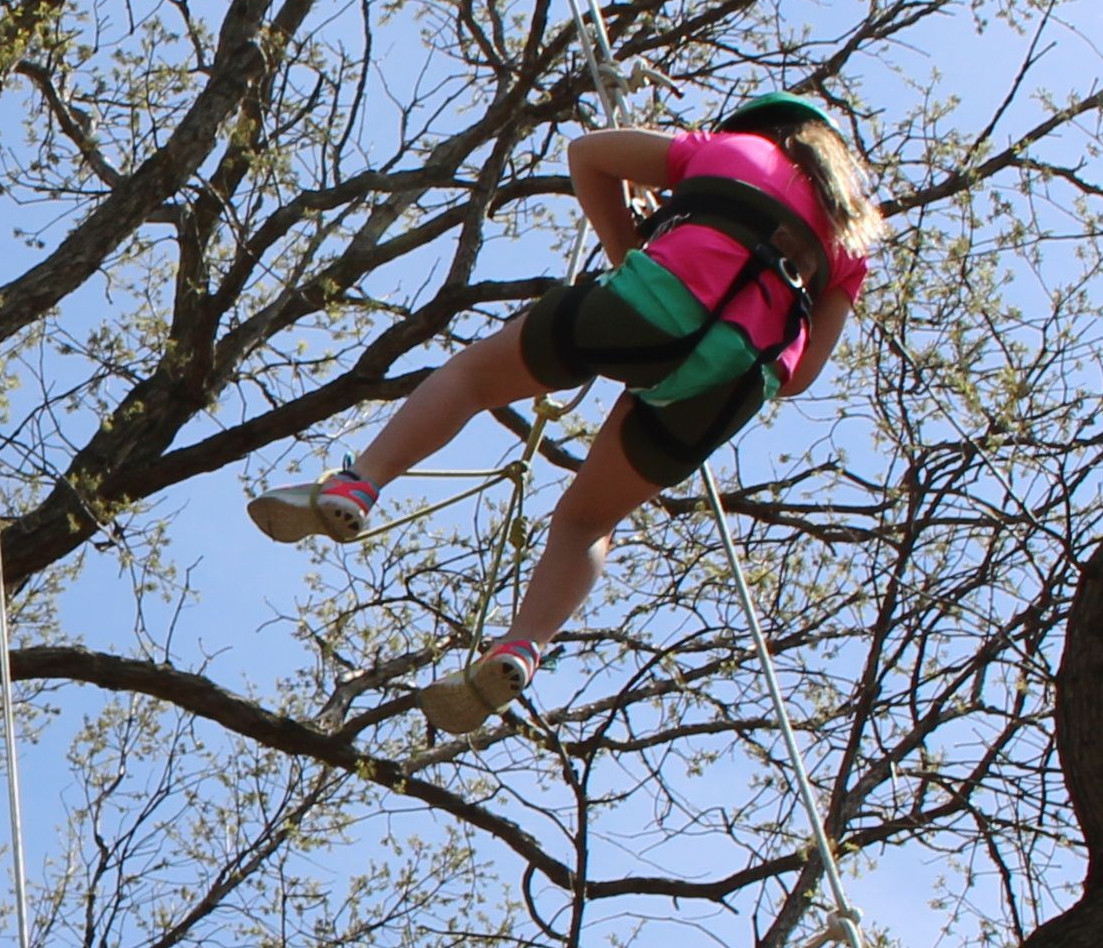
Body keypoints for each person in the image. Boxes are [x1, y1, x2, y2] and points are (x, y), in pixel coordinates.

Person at [246, 93, 882, 732]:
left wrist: (630, 247)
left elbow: (588, 155)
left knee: (470, 379)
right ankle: (523, 647)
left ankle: (362, 482)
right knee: (587, 520)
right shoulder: (849, 239)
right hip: (734, 381)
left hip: (648, 302)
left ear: (760, 130)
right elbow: (801, 377)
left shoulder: (727, 149)